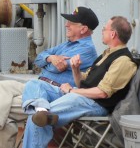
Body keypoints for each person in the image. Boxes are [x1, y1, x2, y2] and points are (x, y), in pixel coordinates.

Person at [0, 6, 99, 148]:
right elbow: (39, 58)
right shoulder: (66, 45)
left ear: (83, 29)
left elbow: (58, 66)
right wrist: (50, 59)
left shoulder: (87, 49)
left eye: (71, 23)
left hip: (53, 94)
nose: (66, 24)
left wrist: (51, 61)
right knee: (2, 86)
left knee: (1, 108)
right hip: (37, 87)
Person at [21, 16, 138, 148]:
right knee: (34, 84)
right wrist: (76, 69)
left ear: (113, 34)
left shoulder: (123, 60)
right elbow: (82, 81)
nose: (102, 31)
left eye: (104, 29)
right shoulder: (106, 54)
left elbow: (103, 93)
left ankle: (42, 113)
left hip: (95, 103)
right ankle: (41, 108)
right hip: (81, 96)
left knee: (38, 119)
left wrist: (72, 90)